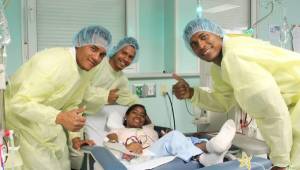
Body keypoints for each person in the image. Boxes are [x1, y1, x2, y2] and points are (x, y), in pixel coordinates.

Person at [172, 17, 300, 170]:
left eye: (203, 36)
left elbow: (271, 111)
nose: (201, 45)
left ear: (217, 33)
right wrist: (192, 93)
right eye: (194, 44)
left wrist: (280, 162)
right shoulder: (219, 67)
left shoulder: (235, 56)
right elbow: (224, 101)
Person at [4, 25, 112, 170]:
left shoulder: (86, 70)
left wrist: (76, 137)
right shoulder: (52, 62)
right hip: (23, 124)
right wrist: (59, 117)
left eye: (102, 55)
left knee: (64, 165)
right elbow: (17, 103)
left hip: (48, 124)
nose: (96, 58)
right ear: (79, 43)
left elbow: (72, 104)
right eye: (93, 49)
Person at [106, 104, 236, 167]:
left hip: (159, 150)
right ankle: (210, 150)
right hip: (144, 155)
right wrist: (127, 145)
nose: (139, 117)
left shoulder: (150, 128)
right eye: (134, 113)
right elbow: (110, 142)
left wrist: (164, 136)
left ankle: (214, 150)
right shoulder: (118, 130)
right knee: (174, 136)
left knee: (187, 139)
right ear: (126, 116)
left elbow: (150, 123)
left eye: (142, 115)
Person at [82, 37, 139, 114]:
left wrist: (143, 115)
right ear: (116, 50)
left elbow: (129, 99)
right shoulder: (97, 63)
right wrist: (105, 96)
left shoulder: (122, 80)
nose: (126, 59)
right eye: (124, 53)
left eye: (130, 57)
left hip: (92, 116)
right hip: (73, 111)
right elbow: (81, 89)